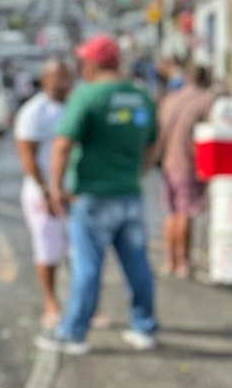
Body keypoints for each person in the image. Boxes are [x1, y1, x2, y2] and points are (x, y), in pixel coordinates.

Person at [37, 34, 159, 355]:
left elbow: (62, 145)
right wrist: (136, 174)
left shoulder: (88, 96)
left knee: (88, 266)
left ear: (90, 64)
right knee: (138, 264)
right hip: (129, 193)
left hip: (93, 195)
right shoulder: (141, 96)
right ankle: (144, 327)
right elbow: (151, 146)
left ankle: (74, 333)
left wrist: (56, 188)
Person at [14, 59, 71, 330]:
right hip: (44, 192)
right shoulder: (34, 112)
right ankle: (51, 303)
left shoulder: (74, 107)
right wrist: (47, 192)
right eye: (56, 77)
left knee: (79, 253)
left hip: (74, 192)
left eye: (66, 77)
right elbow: (28, 157)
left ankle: (82, 305)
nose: (62, 83)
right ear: (45, 80)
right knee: (48, 251)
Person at [154, 64, 215, 278]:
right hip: (190, 162)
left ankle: (170, 260)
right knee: (186, 212)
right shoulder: (206, 100)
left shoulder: (170, 99)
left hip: (168, 161)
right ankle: (183, 262)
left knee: (171, 211)